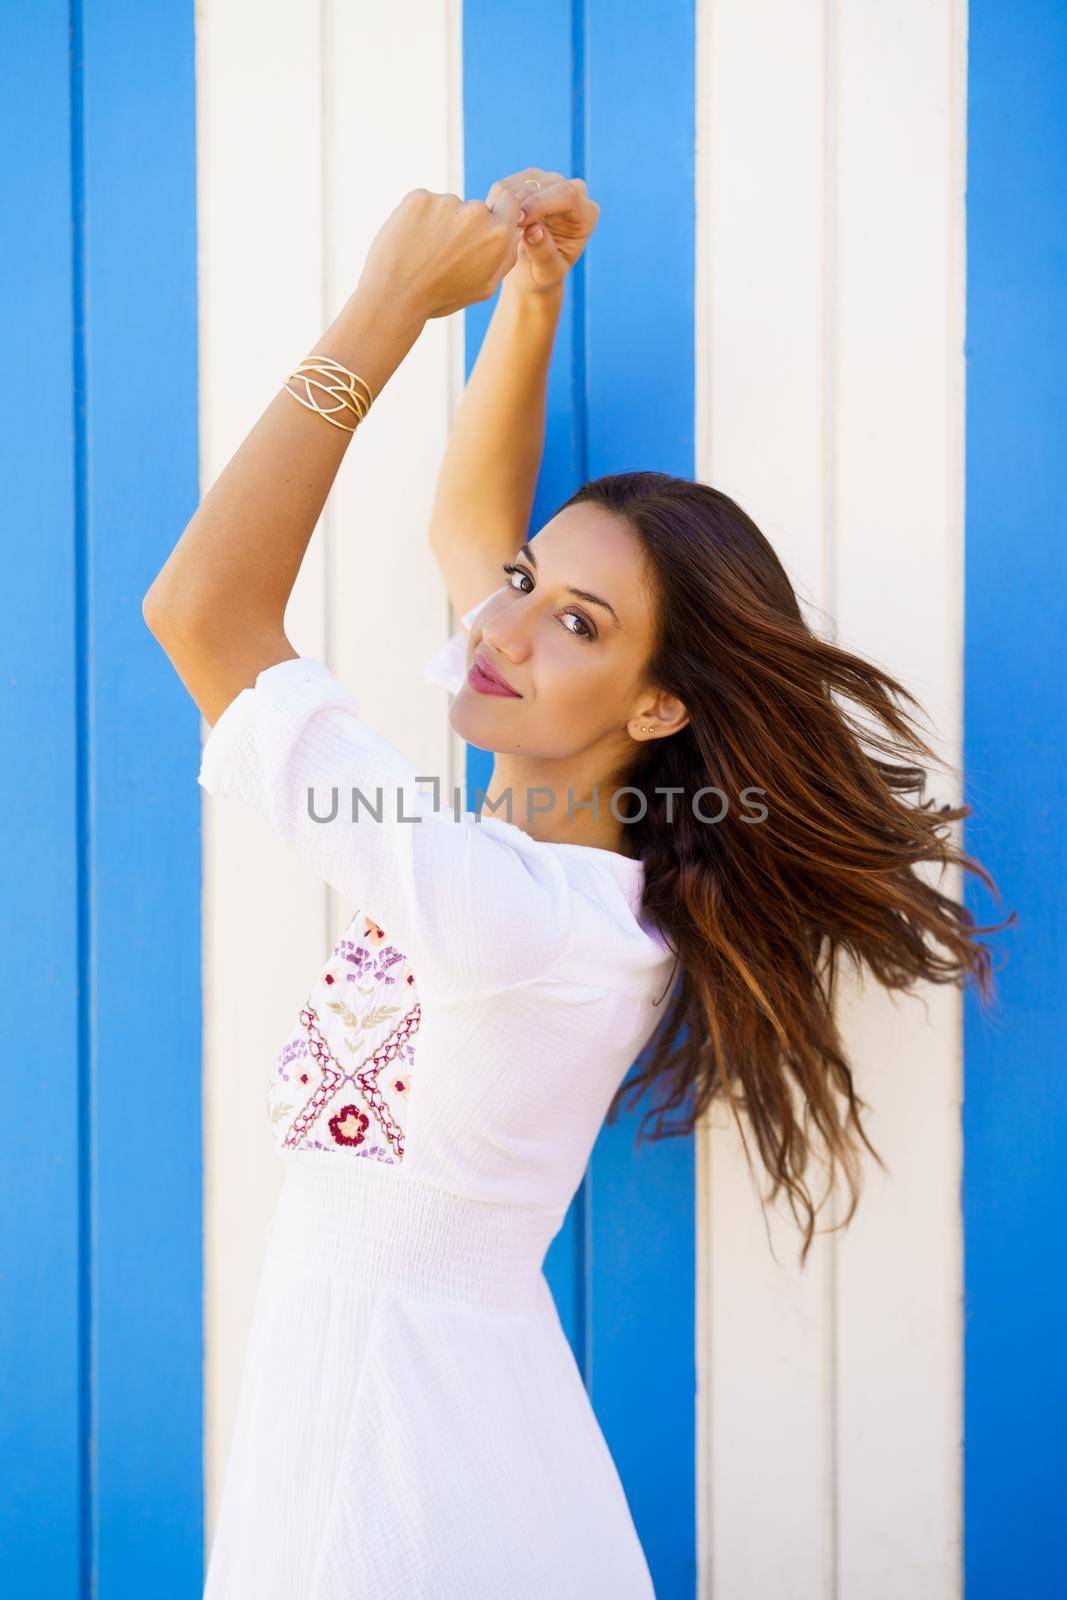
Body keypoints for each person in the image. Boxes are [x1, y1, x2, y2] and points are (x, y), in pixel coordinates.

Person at [144, 170, 1009, 1598]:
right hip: (416, 1415)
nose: (504, 625)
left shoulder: (505, 910)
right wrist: (529, 301)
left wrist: (389, 307)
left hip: (395, 1465)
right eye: (527, 581)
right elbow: (477, 525)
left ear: (659, 706)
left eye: (577, 621)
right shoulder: (566, 870)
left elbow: (200, 611)